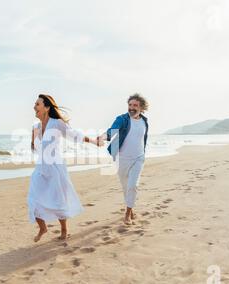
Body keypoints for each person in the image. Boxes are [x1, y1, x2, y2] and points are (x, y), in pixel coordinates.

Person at [28, 94, 103, 242]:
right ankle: (43, 228)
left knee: (58, 199)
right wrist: (34, 141)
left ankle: (64, 229)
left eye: (37, 104)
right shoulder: (35, 128)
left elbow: (75, 135)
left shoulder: (57, 123)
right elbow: (35, 148)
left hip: (55, 168)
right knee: (33, 199)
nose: (34, 107)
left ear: (47, 107)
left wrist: (94, 141)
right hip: (40, 169)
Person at [97, 93, 149, 225]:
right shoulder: (122, 119)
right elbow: (111, 131)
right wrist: (102, 137)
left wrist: (143, 153)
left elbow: (143, 140)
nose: (131, 107)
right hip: (121, 158)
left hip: (138, 158)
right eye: (130, 105)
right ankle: (131, 210)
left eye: (135, 105)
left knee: (133, 186)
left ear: (141, 107)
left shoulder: (144, 121)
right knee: (126, 187)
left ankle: (127, 213)